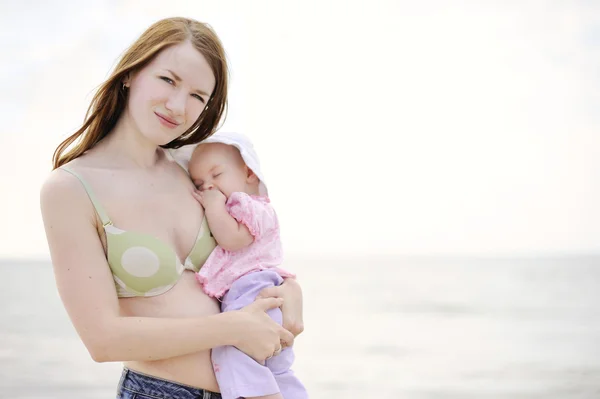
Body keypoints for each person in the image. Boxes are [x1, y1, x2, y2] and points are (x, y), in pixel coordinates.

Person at [40, 17, 304, 399]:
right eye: (168, 80)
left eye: (198, 96)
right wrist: (234, 327)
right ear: (131, 72)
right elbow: (102, 339)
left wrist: (289, 289)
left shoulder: (194, 172)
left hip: (252, 388)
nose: (178, 106)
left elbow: (251, 252)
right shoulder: (71, 188)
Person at [174, 132, 308, 399]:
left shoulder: (246, 205)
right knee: (277, 366)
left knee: (232, 349)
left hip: (251, 290)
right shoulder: (245, 205)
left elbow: (232, 239)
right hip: (261, 292)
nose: (209, 187)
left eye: (217, 175)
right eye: (200, 183)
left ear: (249, 174)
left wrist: (212, 206)